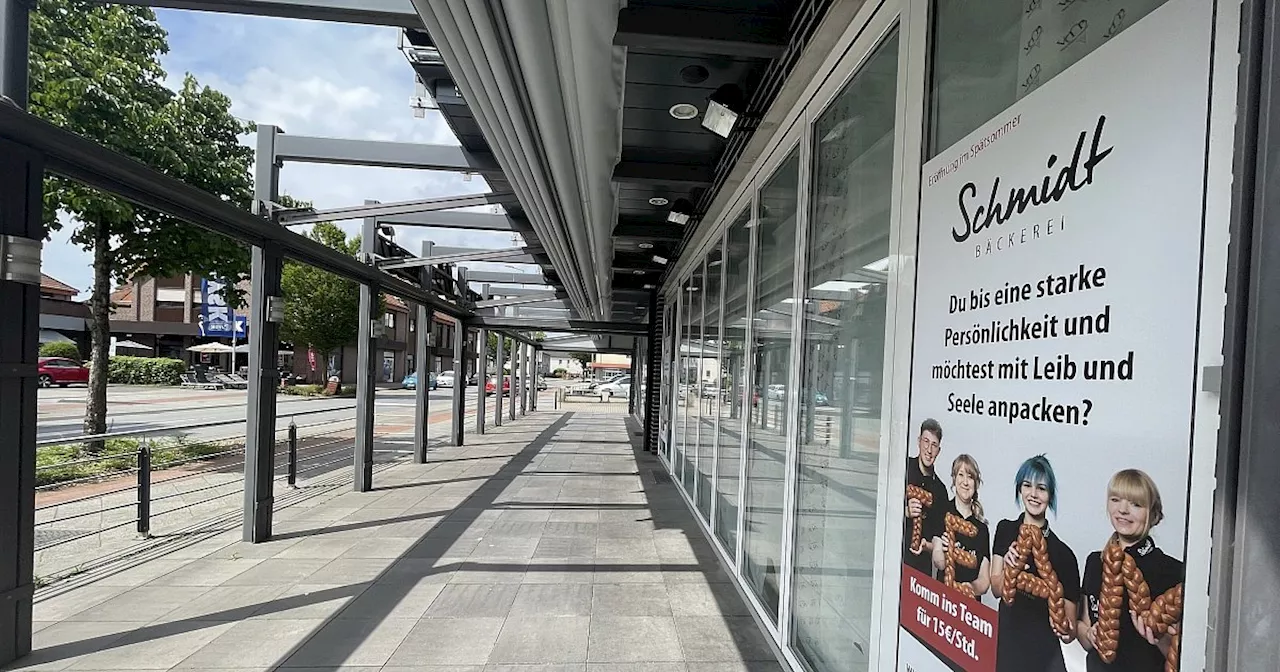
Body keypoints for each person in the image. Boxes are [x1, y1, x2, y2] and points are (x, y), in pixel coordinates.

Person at [1076, 469, 1183, 671]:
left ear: (1153, 514)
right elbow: (1083, 626)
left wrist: (1158, 637)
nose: (1123, 510)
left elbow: (1182, 655)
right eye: (1116, 499)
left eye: (1135, 504)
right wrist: (1089, 634)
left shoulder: (1173, 571)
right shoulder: (1095, 562)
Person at [990, 454, 1080, 672]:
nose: (1034, 494)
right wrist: (1010, 569)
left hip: (1044, 655)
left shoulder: (1065, 555)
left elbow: (1070, 632)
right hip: (1007, 645)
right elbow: (995, 588)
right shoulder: (1005, 530)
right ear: (1020, 489)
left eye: (1042, 488)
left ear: (1050, 495)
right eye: (1027, 485)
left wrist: (1065, 629)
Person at [931, 454, 992, 597]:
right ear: (954, 478)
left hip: (970, 609)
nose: (965, 482)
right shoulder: (943, 512)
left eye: (970, 477)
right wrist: (944, 553)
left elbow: (984, 580)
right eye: (961, 475)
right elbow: (938, 562)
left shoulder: (982, 529)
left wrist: (971, 587)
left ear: (976, 484)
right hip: (943, 599)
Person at [904, 418, 950, 576]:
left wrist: (927, 546)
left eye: (934, 445)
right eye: (926, 441)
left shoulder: (941, 491)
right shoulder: (903, 469)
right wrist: (906, 511)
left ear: (939, 450)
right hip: (894, 555)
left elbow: (938, 536)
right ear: (918, 441)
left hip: (921, 567)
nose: (929, 450)